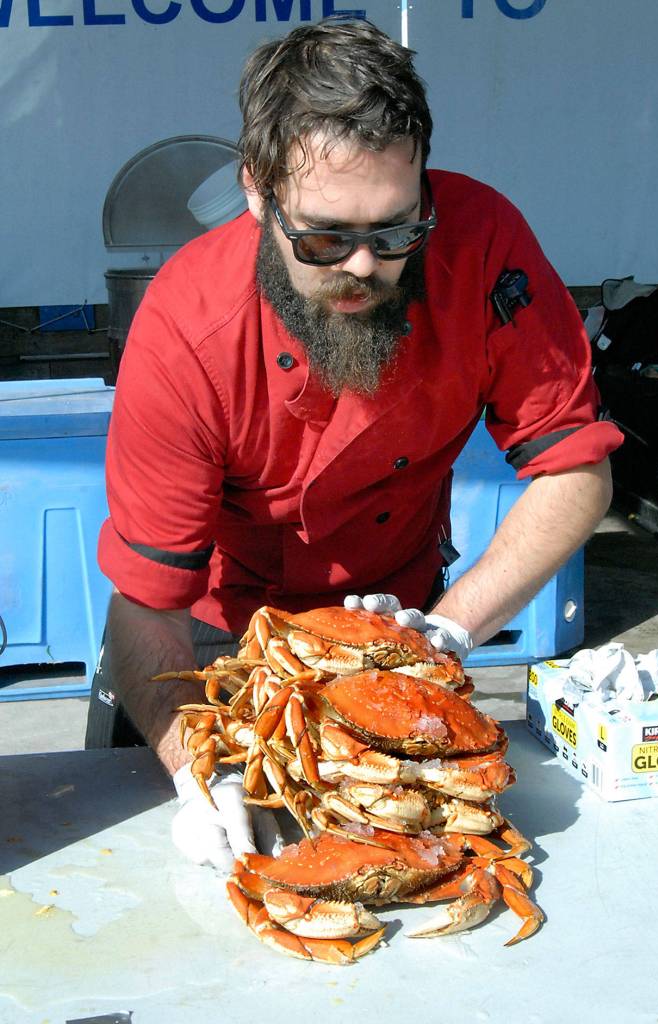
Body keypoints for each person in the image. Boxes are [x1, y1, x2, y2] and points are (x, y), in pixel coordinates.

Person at [85, 16, 622, 869]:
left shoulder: (482, 246)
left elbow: (576, 472)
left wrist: (444, 634)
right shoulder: (187, 328)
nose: (365, 266)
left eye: (397, 231)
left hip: (399, 626)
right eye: (326, 237)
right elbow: (145, 603)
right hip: (221, 649)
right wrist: (196, 770)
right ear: (257, 191)